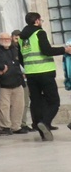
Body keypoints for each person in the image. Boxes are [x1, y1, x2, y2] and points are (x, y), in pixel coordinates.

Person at [18, 12, 66, 140]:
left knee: (36, 102)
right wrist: (64, 50)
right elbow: (47, 50)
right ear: (37, 21)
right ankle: (45, 123)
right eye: (41, 20)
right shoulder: (39, 32)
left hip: (30, 74)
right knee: (54, 101)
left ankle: (42, 132)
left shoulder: (21, 38)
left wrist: (29, 67)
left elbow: (21, 58)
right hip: (45, 72)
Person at [0, 32, 26, 135]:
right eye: (3, 39)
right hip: (3, 84)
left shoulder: (15, 50)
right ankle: (5, 126)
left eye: (8, 38)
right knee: (3, 107)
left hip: (17, 82)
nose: (6, 40)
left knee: (19, 106)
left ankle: (16, 126)